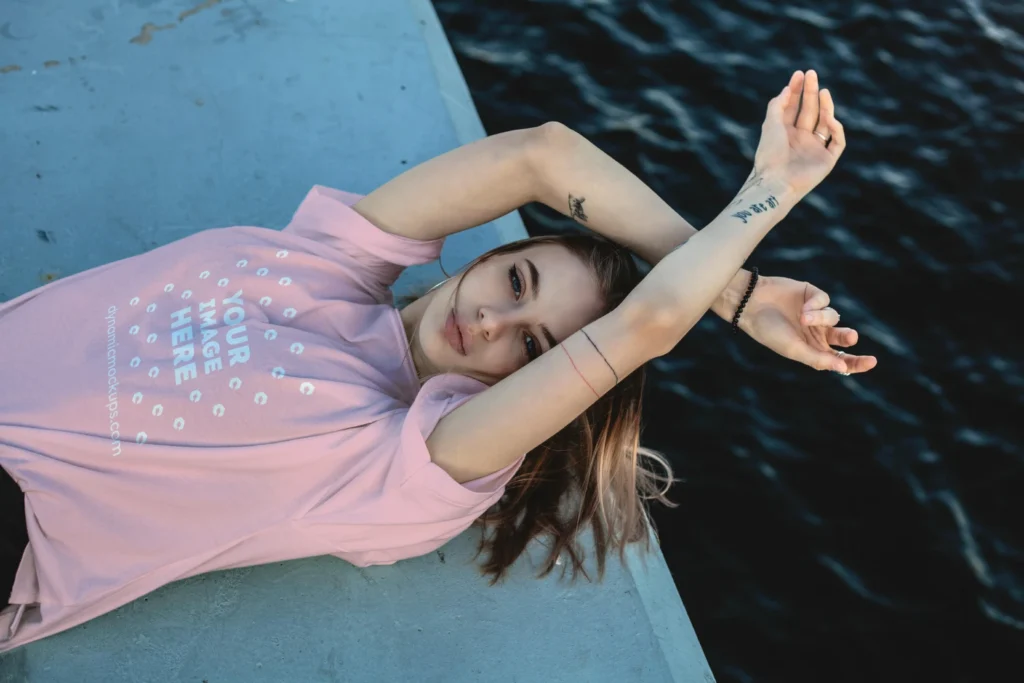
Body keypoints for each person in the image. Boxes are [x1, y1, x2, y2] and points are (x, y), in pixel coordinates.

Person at [0, 69, 875, 651]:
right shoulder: (329, 259)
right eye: (517, 279)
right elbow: (539, 155)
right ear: (487, 257)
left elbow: (646, 324)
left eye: (532, 348)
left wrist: (772, 190)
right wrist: (742, 286)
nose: (493, 318)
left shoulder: (406, 464)